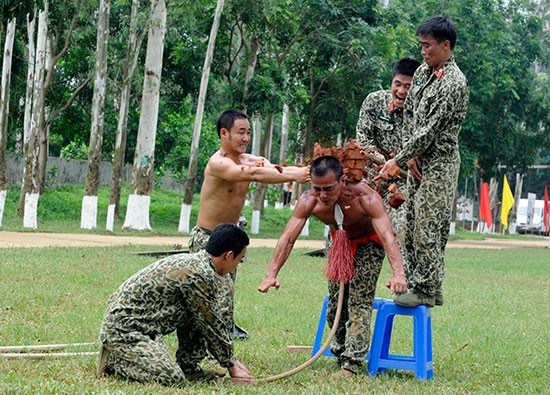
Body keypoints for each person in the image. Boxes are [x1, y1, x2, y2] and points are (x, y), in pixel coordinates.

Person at [258, 155, 407, 378]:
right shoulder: (310, 201)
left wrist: (398, 274)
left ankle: (352, 364)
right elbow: (288, 238)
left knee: (359, 302)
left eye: (328, 188)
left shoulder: (365, 197)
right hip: (339, 242)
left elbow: (387, 236)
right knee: (336, 305)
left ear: (342, 180)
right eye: (317, 188)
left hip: (369, 242)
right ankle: (340, 351)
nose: (322, 195)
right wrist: (272, 274)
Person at [189, 108, 311, 340]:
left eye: (248, 133)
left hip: (231, 238)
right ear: (224, 133)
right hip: (207, 237)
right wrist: (294, 176)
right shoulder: (218, 163)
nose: (246, 138)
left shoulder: (252, 160)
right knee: (202, 291)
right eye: (240, 132)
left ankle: (224, 329)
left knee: (226, 289)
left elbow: (276, 170)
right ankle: (202, 334)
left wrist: (310, 172)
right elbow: (253, 175)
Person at [377, 15, 469, 307]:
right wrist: (411, 154)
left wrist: (399, 160)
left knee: (429, 225)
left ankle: (428, 288)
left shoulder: (454, 82)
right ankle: (419, 282)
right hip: (418, 159)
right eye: (421, 45)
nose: (423, 51)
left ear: (445, 45)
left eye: (427, 45)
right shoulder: (422, 74)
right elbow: (410, 117)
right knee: (412, 221)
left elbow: (432, 128)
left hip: (440, 163)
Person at [97, 223, 254, 386]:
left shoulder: (202, 265)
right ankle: (115, 363)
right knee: (173, 379)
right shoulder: (198, 274)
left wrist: (229, 360)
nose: (237, 265)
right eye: (239, 259)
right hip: (123, 330)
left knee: (195, 316)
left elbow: (204, 319)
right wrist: (230, 363)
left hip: (144, 329)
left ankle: (189, 367)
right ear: (228, 255)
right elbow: (211, 324)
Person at [356, 57, 421, 253]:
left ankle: (402, 278)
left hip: (402, 183)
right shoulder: (374, 102)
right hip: (371, 177)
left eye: (408, 87)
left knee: (402, 232)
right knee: (352, 225)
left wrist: (398, 165)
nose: (401, 91)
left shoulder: (422, 112)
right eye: (397, 84)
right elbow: (362, 138)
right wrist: (378, 158)